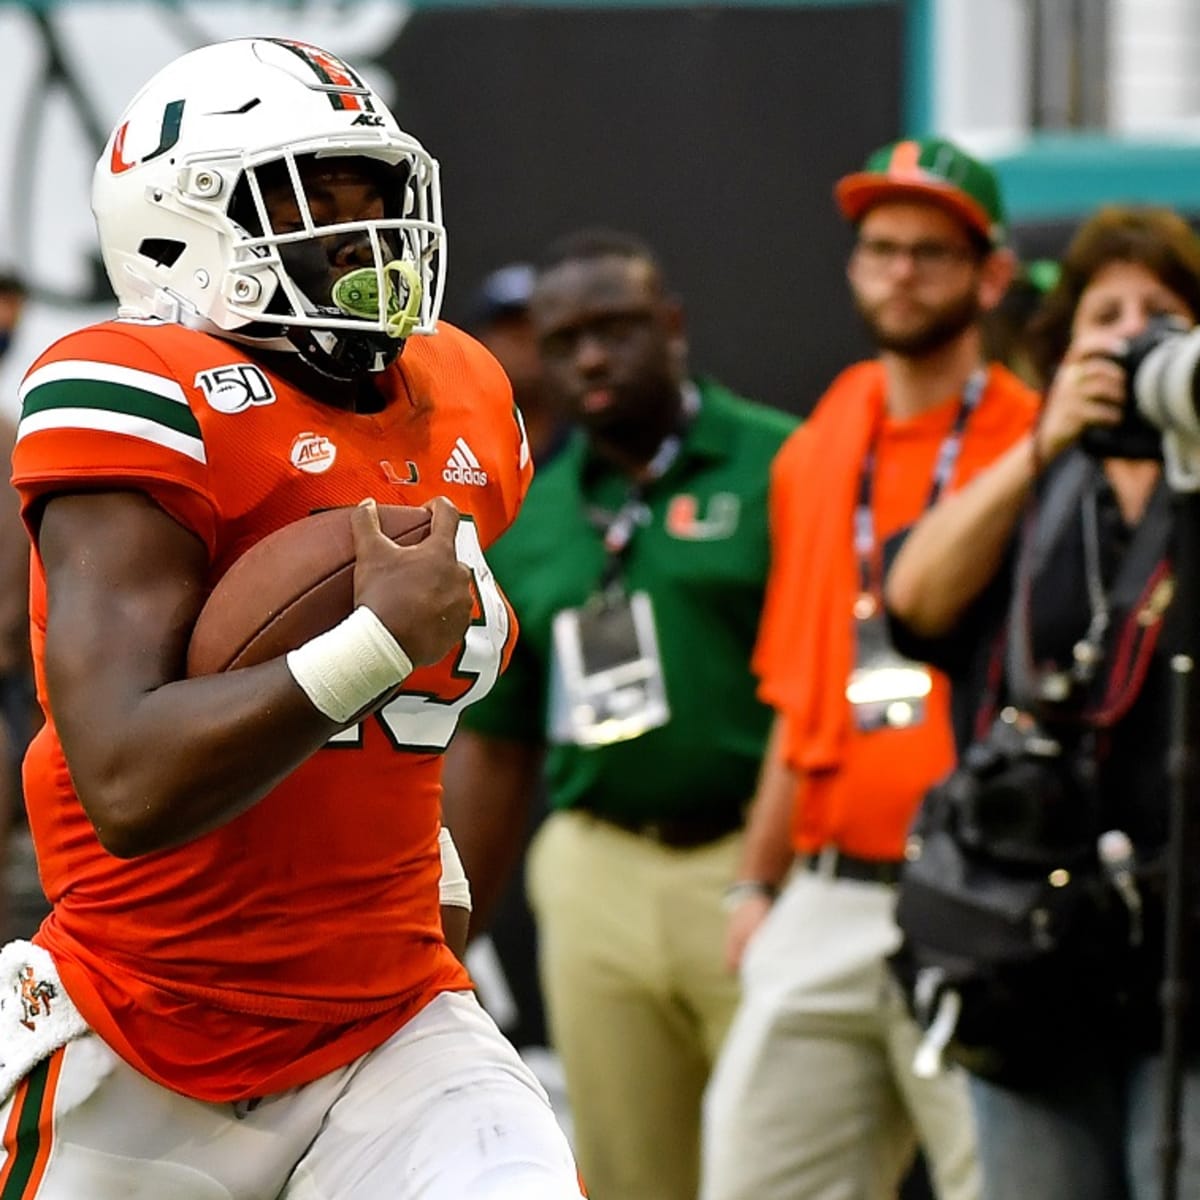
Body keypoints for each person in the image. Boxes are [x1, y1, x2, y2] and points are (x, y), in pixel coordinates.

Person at [0, 37, 584, 1199]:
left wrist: (421, 850)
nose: (364, 237)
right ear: (175, 227)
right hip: (144, 1027)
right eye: (309, 198)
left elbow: (393, 720)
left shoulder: (461, 394)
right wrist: (373, 645)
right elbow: (126, 782)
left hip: (392, 1015)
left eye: (373, 196)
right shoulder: (134, 387)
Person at [701, 138, 1041, 1200]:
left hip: (980, 888)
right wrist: (758, 883)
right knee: (753, 1175)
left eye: (930, 252)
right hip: (829, 888)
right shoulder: (822, 438)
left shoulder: (1035, 444)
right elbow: (797, 691)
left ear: (989, 277)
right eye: (879, 249)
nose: (900, 273)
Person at [441, 227, 797, 1200]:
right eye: (564, 340)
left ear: (671, 325)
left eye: (616, 328)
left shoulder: (782, 465)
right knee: (631, 1178)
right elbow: (498, 741)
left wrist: (778, 871)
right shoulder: (534, 516)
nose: (591, 356)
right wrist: (444, 936)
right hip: (596, 865)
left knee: (795, 1171)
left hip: (757, 868)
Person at [885, 206, 1200, 1199]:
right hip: (1032, 952)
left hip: (1185, 948)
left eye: (1162, 311)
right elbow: (914, 601)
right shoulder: (1033, 484)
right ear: (1060, 348)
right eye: (1104, 312)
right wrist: (1045, 438)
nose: (1131, 329)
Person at [465, 262, 568, 465]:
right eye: (508, 331)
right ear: (479, 341)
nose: (525, 341)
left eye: (534, 327)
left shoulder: (596, 446)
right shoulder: (452, 445)